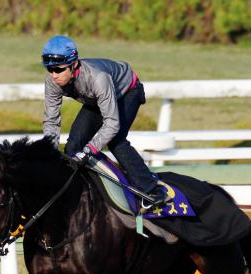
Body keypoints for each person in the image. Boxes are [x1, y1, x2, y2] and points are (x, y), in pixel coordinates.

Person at [41, 35, 169, 207]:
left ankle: (151, 189)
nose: (54, 75)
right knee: (73, 146)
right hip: (95, 100)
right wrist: (50, 151)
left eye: (58, 69)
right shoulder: (51, 81)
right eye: (50, 69)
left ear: (74, 64)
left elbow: (112, 123)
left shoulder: (98, 78)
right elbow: (51, 120)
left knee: (116, 141)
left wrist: (90, 150)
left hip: (127, 92)